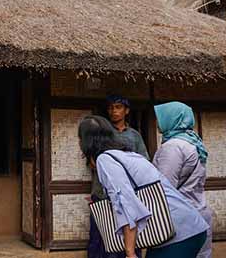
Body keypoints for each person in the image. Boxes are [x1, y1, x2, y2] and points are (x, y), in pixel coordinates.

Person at [79, 115, 209, 258]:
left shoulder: (105, 160)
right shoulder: (128, 154)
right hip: (189, 227)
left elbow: (127, 204)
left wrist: (130, 252)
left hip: (178, 233)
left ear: (86, 141)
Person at [88, 95, 148, 258]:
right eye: (111, 108)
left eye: (118, 107)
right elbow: (93, 162)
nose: (114, 111)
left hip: (128, 194)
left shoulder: (134, 136)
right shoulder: (100, 134)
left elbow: (143, 162)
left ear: (126, 111)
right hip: (102, 194)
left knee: (129, 237)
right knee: (101, 239)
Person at [153, 102, 212, 258]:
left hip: (180, 219)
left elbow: (164, 187)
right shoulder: (194, 143)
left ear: (172, 118)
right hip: (199, 211)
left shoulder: (172, 146)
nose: (158, 121)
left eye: (161, 117)